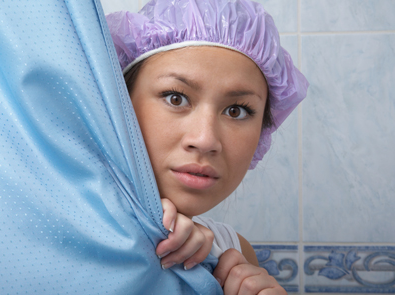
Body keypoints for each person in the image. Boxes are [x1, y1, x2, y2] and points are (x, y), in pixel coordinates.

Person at [106, 0, 308, 293]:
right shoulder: (59, 229)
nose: (205, 139)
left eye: (237, 110)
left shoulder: (234, 254)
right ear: (121, 105)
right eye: (176, 98)